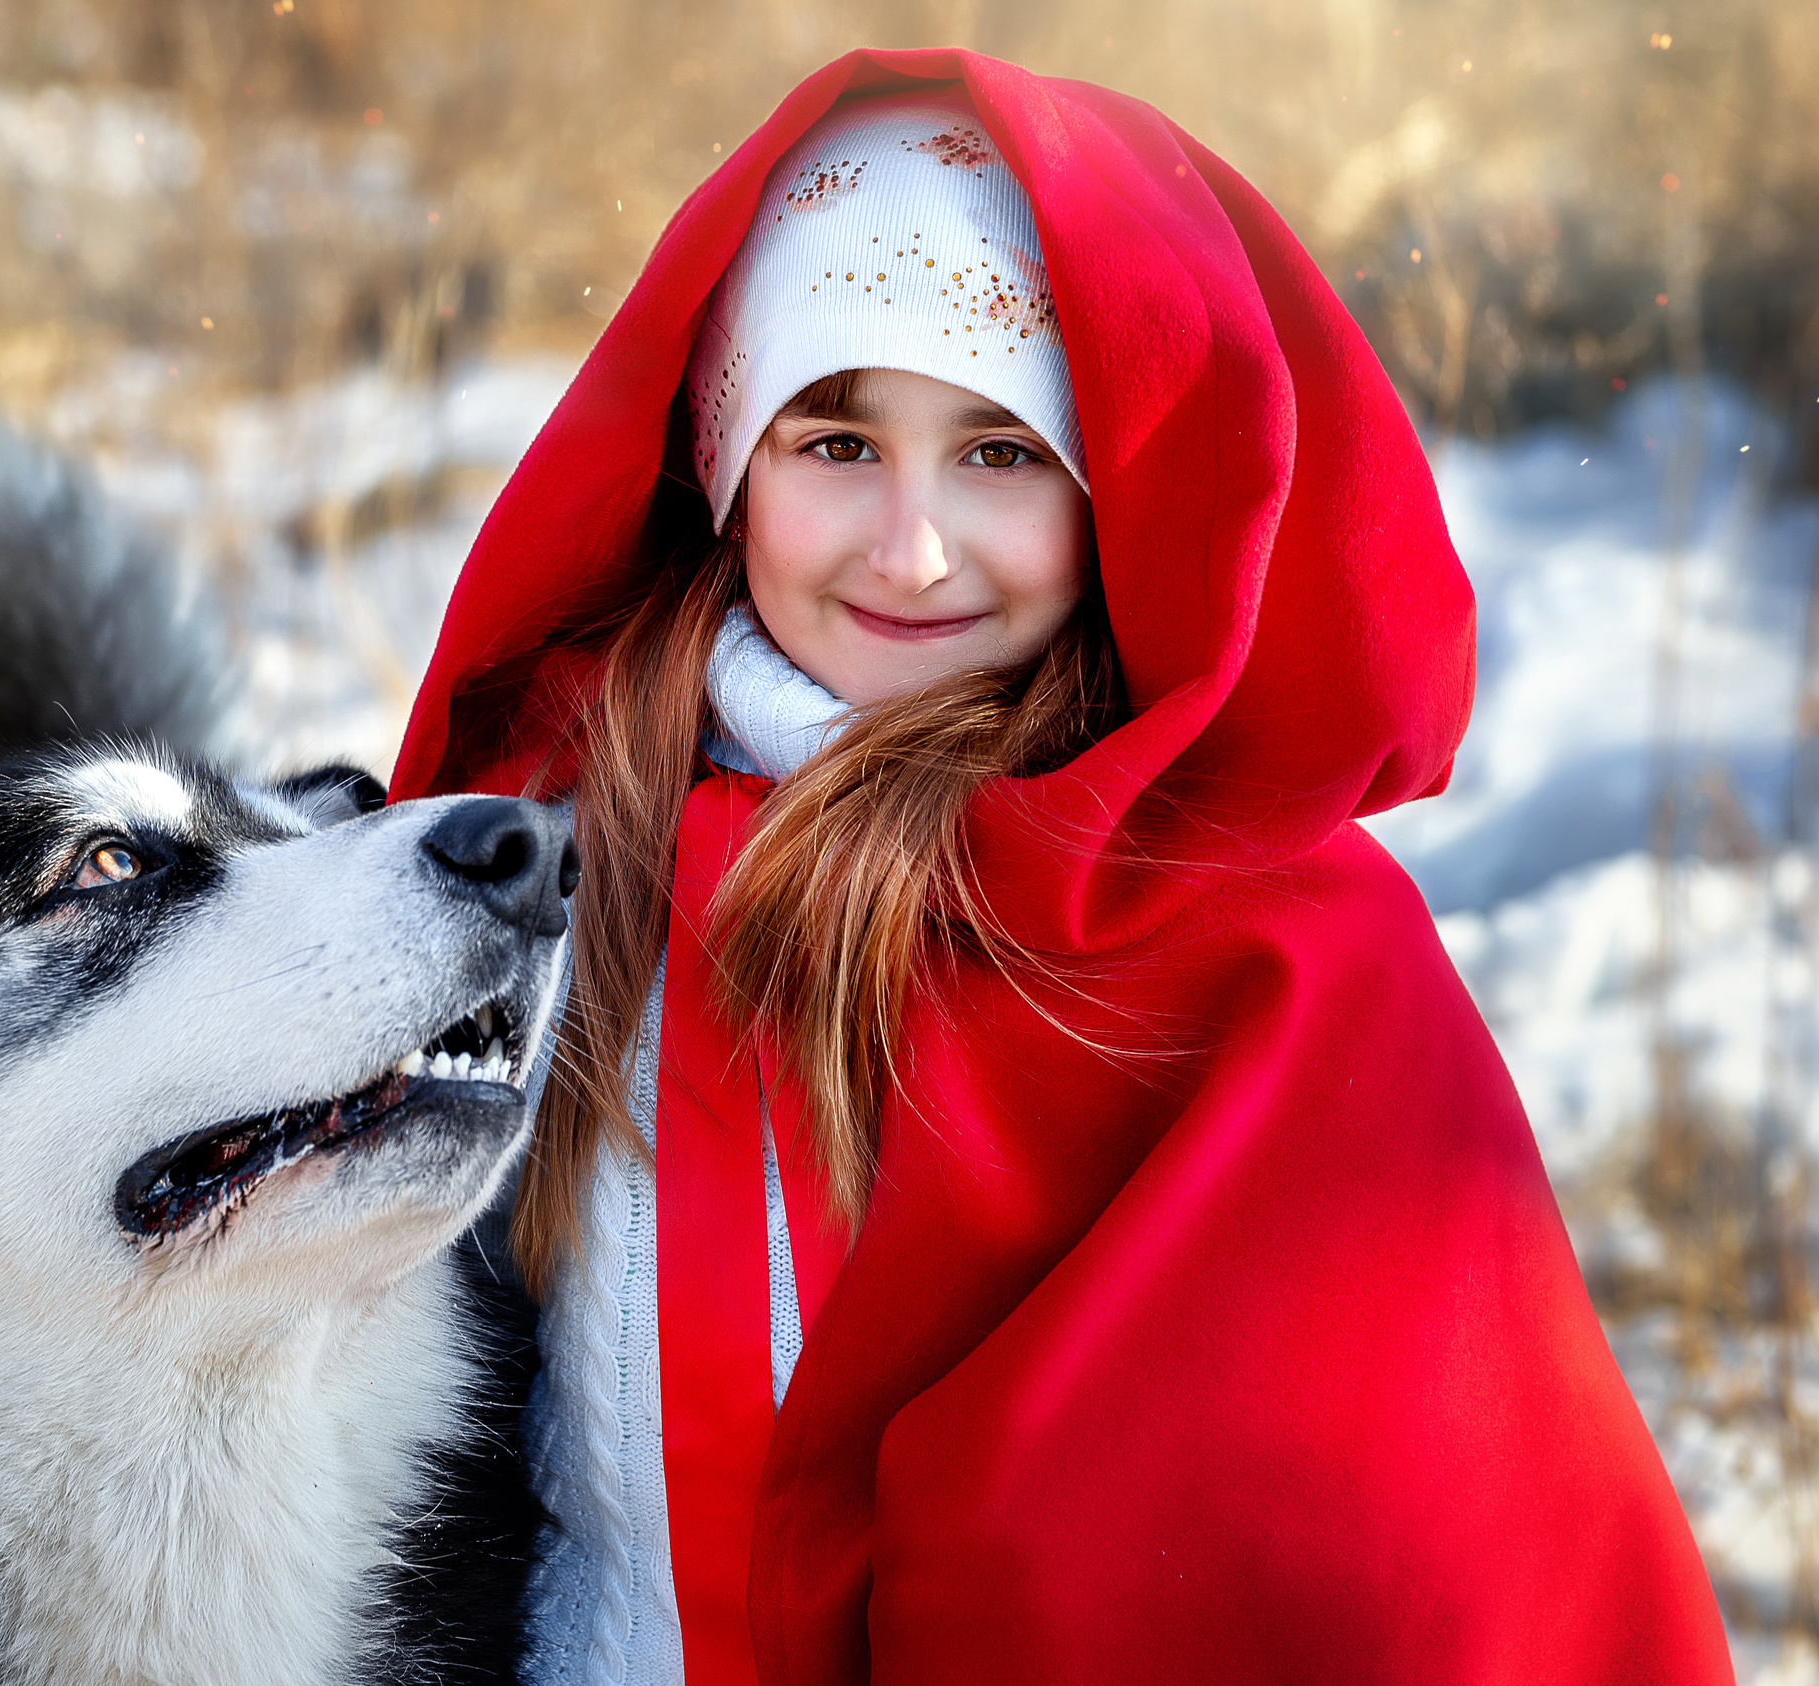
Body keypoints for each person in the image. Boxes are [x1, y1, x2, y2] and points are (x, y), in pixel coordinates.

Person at [393, 46, 1732, 1686]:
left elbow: (1420, 1545)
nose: (912, 546)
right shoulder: (559, 825)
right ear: (729, 455)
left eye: (1001, 453)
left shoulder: (1263, 948)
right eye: (835, 440)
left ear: (1118, 494)